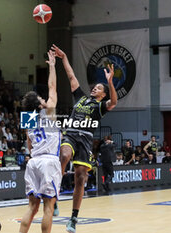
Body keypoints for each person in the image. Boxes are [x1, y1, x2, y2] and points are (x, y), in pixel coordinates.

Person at [52, 44, 117, 233]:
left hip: (86, 140)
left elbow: (114, 102)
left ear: (102, 94)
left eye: (98, 88)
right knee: (63, 156)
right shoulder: (80, 98)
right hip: (71, 134)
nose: (94, 89)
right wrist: (63, 57)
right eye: (94, 87)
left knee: (81, 177)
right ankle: (53, 198)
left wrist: (110, 82)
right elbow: (71, 76)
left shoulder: (100, 107)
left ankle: (73, 218)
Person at [19, 50, 61, 233]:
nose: (44, 98)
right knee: (48, 208)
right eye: (40, 98)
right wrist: (52, 65)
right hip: (48, 162)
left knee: (31, 207)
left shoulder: (27, 120)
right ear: (39, 104)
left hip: (33, 162)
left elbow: (29, 145)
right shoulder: (49, 111)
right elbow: (53, 87)